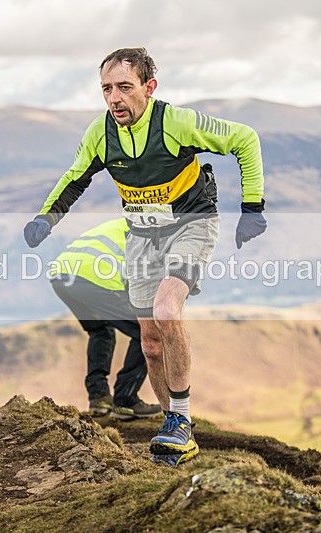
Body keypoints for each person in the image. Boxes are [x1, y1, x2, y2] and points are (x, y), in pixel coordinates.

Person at [23, 47, 266, 466]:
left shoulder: (176, 122)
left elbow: (244, 139)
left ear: (148, 88)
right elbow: (74, 178)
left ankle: (183, 420)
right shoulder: (100, 134)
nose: (114, 98)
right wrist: (46, 220)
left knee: (167, 309)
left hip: (192, 223)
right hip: (142, 236)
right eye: (106, 89)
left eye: (124, 87)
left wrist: (253, 208)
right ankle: (174, 427)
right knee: (151, 342)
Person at [49, 217, 161, 420]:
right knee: (148, 333)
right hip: (93, 278)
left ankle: (98, 397)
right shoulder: (151, 232)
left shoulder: (122, 223)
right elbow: (138, 282)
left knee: (100, 331)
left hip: (61, 276)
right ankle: (125, 402)